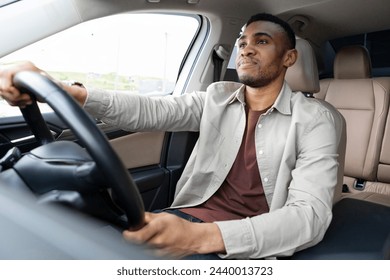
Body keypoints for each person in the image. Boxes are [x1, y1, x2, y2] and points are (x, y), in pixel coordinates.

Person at [0, 13, 344, 259]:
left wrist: (199, 238)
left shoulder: (317, 120)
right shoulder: (217, 97)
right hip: (187, 218)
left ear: (289, 57)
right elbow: (150, 110)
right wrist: (66, 92)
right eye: (242, 42)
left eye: (262, 41)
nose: (246, 49)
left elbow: (307, 216)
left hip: (248, 246)